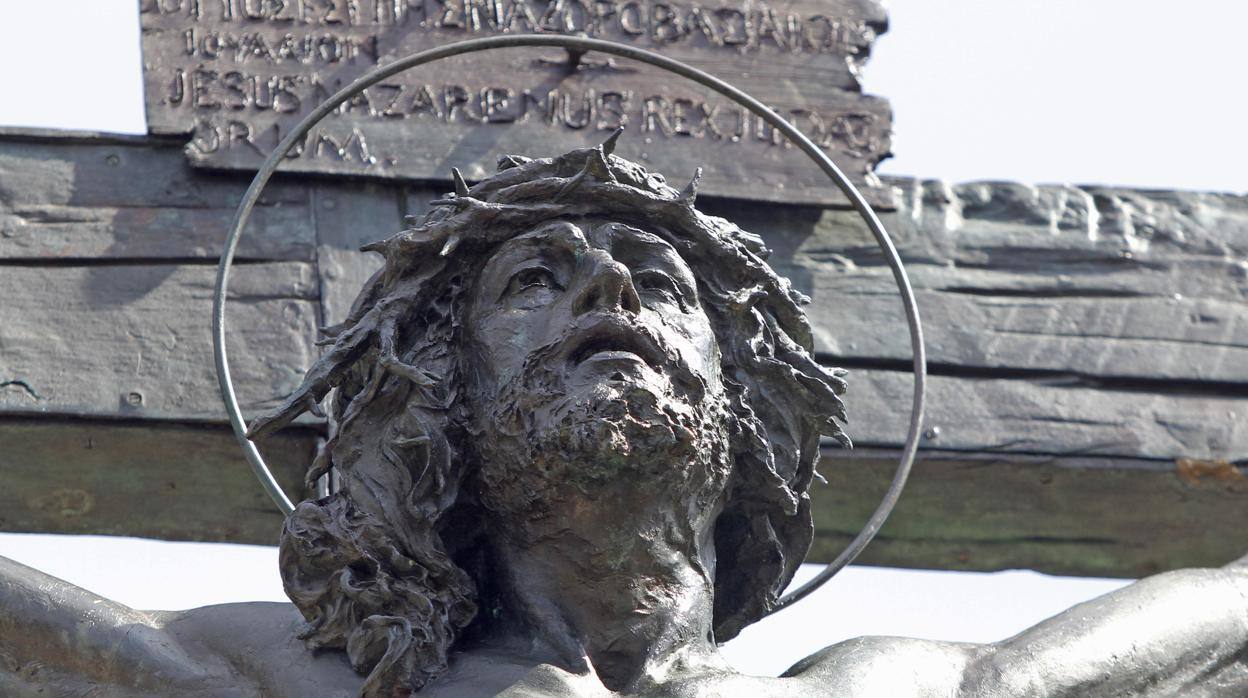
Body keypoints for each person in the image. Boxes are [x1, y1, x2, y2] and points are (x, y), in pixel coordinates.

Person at [3, 139, 1247, 697]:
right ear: (441, 399)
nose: (610, 287)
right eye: (534, 280)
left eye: (660, 285)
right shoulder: (284, 682)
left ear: (739, 399)